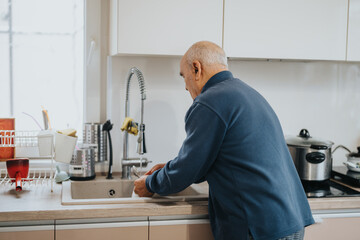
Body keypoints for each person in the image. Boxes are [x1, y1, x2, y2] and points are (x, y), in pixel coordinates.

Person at [134, 41, 314, 240]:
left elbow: (187, 170)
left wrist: (149, 183)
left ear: (196, 68)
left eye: (184, 77)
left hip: (258, 227)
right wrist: (170, 167)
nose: (186, 87)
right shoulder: (247, 94)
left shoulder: (209, 101)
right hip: (288, 221)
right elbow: (218, 158)